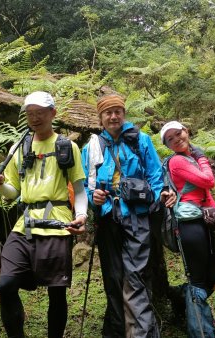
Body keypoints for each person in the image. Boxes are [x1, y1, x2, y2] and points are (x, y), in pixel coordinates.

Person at [0, 91, 87, 338]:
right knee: (6, 284)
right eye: (30, 113)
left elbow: (80, 190)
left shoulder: (67, 146)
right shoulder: (20, 147)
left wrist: (82, 215)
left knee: (56, 290)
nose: (35, 118)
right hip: (26, 224)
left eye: (40, 112)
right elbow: (12, 193)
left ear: (52, 113)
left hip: (58, 221)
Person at [81, 94, 173, 338]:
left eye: (117, 111)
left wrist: (155, 198)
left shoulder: (140, 140)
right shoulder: (91, 148)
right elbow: (84, 187)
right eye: (108, 113)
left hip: (136, 216)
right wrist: (94, 198)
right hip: (108, 218)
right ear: (100, 118)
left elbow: (155, 174)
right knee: (112, 277)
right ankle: (116, 329)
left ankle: (141, 333)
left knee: (135, 275)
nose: (113, 116)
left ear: (124, 113)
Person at [160, 121, 215, 338]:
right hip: (189, 226)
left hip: (202, 222)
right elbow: (208, 181)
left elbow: (206, 195)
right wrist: (203, 158)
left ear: (186, 131)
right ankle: (202, 332)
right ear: (168, 145)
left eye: (179, 133)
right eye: (171, 139)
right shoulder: (178, 161)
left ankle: (181, 296)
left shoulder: (190, 158)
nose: (177, 139)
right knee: (198, 281)